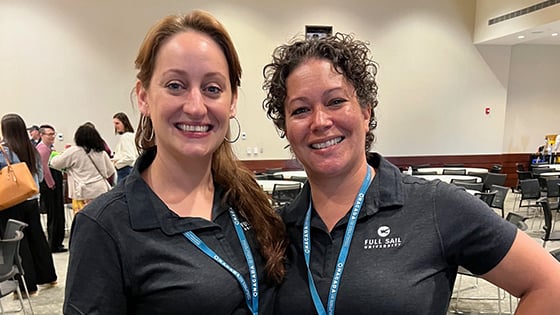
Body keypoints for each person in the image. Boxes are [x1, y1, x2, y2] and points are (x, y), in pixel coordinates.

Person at [262, 33, 560, 314]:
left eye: (336, 101)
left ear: (366, 112)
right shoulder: (278, 228)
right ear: (286, 127)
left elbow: (551, 284)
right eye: (300, 110)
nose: (320, 121)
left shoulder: (435, 206)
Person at [64, 10, 286, 314]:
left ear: (232, 101)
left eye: (212, 89)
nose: (196, 107)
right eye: (175, 85)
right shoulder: (105, 226)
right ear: (143, 97)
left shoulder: (246, 199)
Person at [0, 114, 58, 296]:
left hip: (10, 202)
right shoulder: (31, 148)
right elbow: (39, 177)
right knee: (37, 238)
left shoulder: (3, 151)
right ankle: (49, 277)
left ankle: (27, 287)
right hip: (32, 199)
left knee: (18, 243)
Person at [50, 124, 115, 214]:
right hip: (100, 189)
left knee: (83, 221)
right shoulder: (100, 151)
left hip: (83, 192)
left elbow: (55, 163)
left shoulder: (74, 151)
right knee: (101, 217)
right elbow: (110, 170)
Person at [36, 124, 67, 253]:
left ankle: (56, 242)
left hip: (53, 183)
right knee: (54, 214)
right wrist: (51, 184)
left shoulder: (49, 148)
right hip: (50, 186)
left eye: (53, 134)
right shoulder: (42, 149)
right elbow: (44, 168)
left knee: (57, 214)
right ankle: (54, 243)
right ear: (41, 135)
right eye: (49, 134)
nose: (52, 137)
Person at [112, 112, 138, 183]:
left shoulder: (125, 137)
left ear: (124, 123)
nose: (115, 126)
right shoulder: (132, 136)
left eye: (117, 123)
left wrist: (115, 164)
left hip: (125, 171)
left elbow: (130, 157)